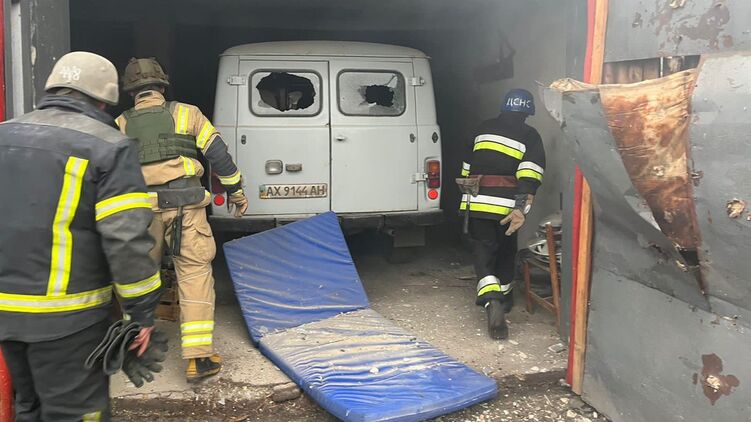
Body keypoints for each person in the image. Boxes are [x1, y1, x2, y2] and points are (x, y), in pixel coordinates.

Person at [0, 51, 163, 421]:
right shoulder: (109, 146)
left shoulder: (4, 135)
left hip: (6, 314)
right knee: (77, 413)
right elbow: (126, 240)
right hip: (69, 321)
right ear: (104, 101)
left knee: (30, 406)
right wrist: (141, 314)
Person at [116, 57, 248, 382]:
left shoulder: (119, 124)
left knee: (138, 279)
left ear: (130, 91)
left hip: (140, 211)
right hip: (186, 208)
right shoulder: (187, 113)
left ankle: (135, 349)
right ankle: (198, 359)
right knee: (194, 273)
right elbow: (219, 155)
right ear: (163, 85)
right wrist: (236, 192)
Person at [459, 88, 545, 340]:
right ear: (527, 111)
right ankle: (504, 299)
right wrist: (521, 209)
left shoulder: (482, 128)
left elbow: (465, 168)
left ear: (504, 107)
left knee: (483, 250)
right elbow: (530, 174)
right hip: (507, 206)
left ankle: (491, 299)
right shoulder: (530, 135)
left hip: (478, 202)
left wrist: (467, 201)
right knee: (506, 250)